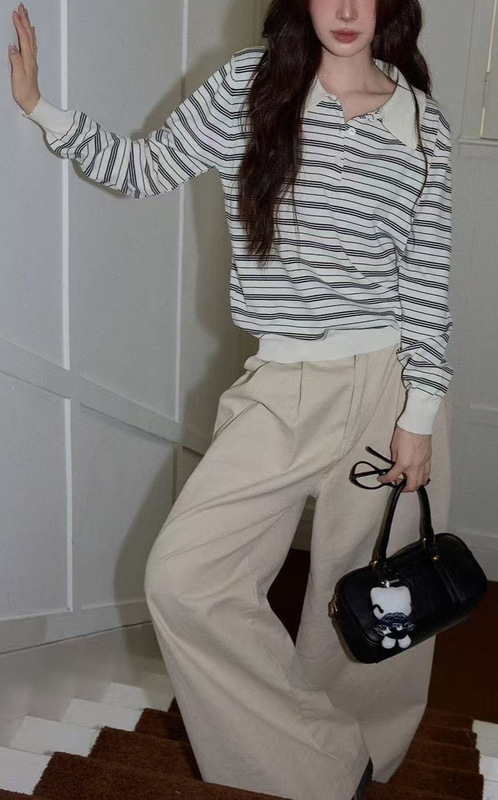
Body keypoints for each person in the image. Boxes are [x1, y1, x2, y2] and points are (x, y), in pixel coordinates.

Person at [9, 1, 454, 798]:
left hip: (389, 387)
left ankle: (366, 762)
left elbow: (427, 279)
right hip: (280, 381)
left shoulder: (423, 125)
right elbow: (143, 168)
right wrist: (43, 109)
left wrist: (419, 415)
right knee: (186, 577)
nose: (345, 9)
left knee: (373, 596)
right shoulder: (251, 86)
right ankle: (322, 763)